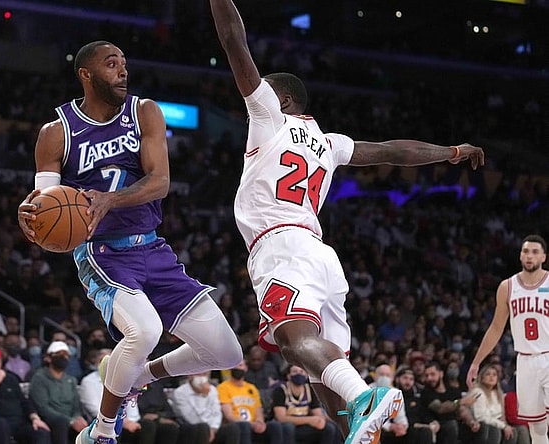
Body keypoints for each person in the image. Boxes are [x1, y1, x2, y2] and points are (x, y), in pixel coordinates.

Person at [207, 0, 485, 443]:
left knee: (292, 340)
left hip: (280, 246)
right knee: (323, 374)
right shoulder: (330, 143)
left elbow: (232, 39)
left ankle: (364, 396)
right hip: (321, 256)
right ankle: (358, 420)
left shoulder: (268, 117)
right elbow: (394, 149)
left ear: (280, 98)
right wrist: (450, 152)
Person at [16, 39, 243, 444]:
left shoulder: (144, 112)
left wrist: (111, 199)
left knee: (226, 351)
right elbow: (44, 207)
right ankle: (101, 432)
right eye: (111, 64)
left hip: (152, 248)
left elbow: (160, 182)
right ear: (86, 74)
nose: (122, 71)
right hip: (101, 252)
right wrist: (29, 215)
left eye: (123, 63)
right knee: (145, 331)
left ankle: (138, 376)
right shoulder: (56, 132)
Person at [466, 235, 548, 444]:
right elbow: (495, 328)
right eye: (525, 251)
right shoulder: (507, 287)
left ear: (544, 257)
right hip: (525, 361)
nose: (529, 256)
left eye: (534, 252)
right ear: (520, 255)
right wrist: (476, 362)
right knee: (536, 426)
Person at [0, 347, 51, 444]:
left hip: (18, 423)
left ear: (1, 364)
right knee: (1, 424)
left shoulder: (11, 379)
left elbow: (24, 402)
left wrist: (35, 418)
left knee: (41, 431)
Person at [28, 341, 88, 444]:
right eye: (59, 354)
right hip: (50, 420)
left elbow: (76, 405)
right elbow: (42, 407)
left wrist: (77, 417)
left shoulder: (71, 380)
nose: (63, 357)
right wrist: (70, 421)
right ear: (48, 358)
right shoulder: (39, 378)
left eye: (66, 355)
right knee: (61, 422)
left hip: (71, 420)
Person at [217, 360, 284, 444]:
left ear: (246, 368)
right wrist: (250, 424)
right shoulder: (222, 387)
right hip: (237, 426)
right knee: (245, 426)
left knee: (275, 426)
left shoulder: (252, 388)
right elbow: (228, 415)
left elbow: (258, 410)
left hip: (253, 425)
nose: (237, 368)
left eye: (240, 365)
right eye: (234, 366)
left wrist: (259, 422)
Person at [271, 364, 342, 444]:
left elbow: (318, 414)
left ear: (306, 375)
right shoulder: (281, 390)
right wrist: (309, 420)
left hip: (305, 426)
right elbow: (281, 418)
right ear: (288, 375)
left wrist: (320, 420)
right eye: (295, 371)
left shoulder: (310, 390)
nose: (299, 374)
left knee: (330, 427)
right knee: (288, 427)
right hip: (288, 426)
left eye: (301, 371)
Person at [171, 371, 241, 444]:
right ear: (190, 376)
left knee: (232, 429)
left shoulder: (212, 390)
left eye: (204, 374)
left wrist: (213, 429)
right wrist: (202, 396)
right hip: (190, 429)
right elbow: (190, 417)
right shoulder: (180, 392)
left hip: (212, 428)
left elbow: (216, 413)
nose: (202, 377)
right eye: (198, 374)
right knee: (202, 428)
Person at [464, 364, 515, 444]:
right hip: (480, 425)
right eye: (488, 374)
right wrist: (503, 426)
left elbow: (501, 416)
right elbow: (481, 416)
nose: (491, 377)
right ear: (482, 377)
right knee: (495, 430)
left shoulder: (497, 393)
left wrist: (505, 425)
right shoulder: (477, 392)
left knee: (515, 432)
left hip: (495, 423)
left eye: (494, 375)